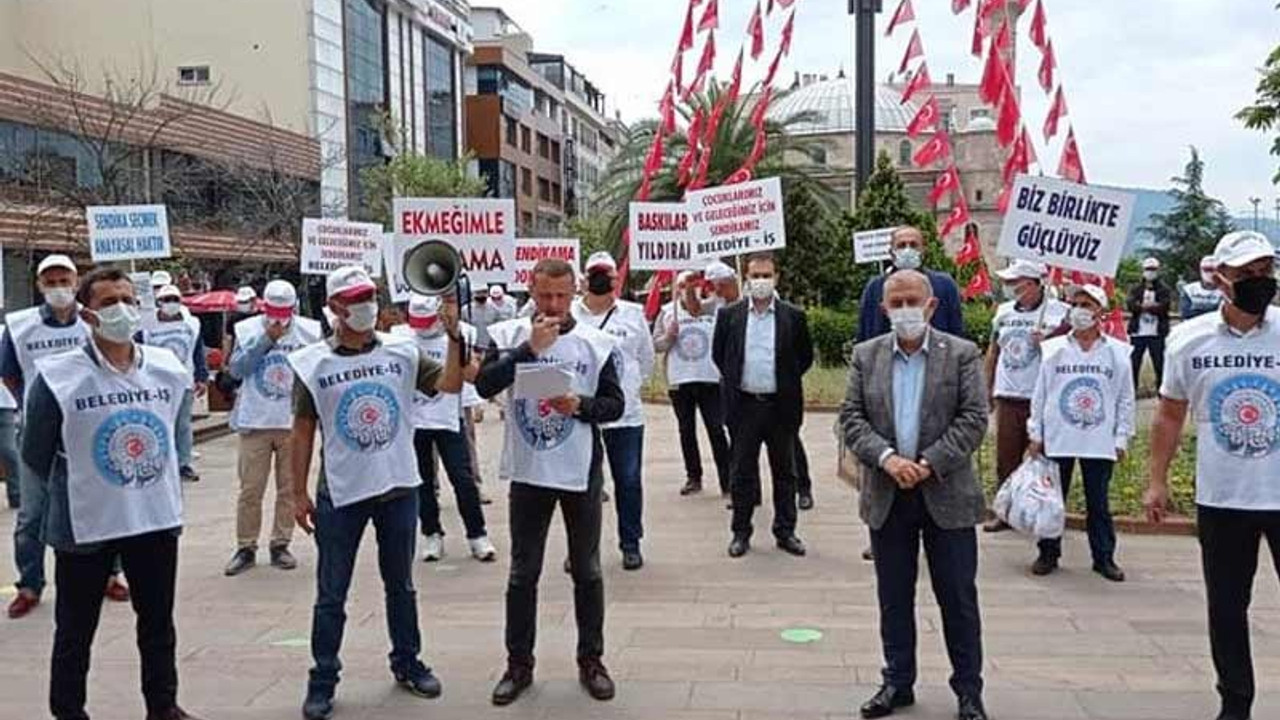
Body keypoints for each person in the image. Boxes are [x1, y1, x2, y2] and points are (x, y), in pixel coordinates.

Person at [288, 266, 463, 720]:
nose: (366, 305)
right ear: (335, 308)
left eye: (370, 295)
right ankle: (322, 679)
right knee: (332, 593)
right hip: (341, 494)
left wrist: (455, 337)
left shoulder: (402, 353)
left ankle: (408, 662)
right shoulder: (312, 363)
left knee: (400, 585)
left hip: (398, 487)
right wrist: (296, 492)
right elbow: (303, 430)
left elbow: (450, 385)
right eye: (356, 298)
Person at [24, 266, 197, 720]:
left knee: (158, 623)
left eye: (126, 299)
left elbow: (178, 433)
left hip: (153, 518)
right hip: (86, 524)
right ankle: (68, 711)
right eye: (107, 302)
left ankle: (163, 706)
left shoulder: (165, 367)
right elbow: (35, 450)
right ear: (87, 314)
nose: (120, 309)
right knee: (75, 630)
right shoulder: (59, 376)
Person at [839, 269, 990, 720]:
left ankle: (968, 690)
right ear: (883, 309)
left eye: (912, 301)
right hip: (887, 494)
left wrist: (926, 463)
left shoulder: (961, 354)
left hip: (946, 492)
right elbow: (851, 418)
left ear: (931, 306)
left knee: (958, 598)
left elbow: (974, 418)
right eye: (896, 302)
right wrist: (887, 459)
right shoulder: (866, 356)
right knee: (893, 596)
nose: (905, 310)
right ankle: (897, 682)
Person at [474, 257, 623, 707]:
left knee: (587, 569)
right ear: (531, 291)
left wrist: (580, 405)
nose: (553, 305)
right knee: (523, 572)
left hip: (579, 472)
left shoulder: (595, 344)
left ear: (575, 290)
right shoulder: (510, 336)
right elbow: (483, 385)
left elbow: (615, 405)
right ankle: (519, 664)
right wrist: (528, 351)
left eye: (561, 296)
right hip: (529, 473)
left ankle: (591, 660)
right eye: (544, 296)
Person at [1144, 231, 1280, 720]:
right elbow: (1168, 416)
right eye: (1246, 275)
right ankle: (1235, 701)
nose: (1259, 283)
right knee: (1226, 607)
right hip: (1224, 496)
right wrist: (1157, 481)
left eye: (1265, 272)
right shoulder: (1188, 339)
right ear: (1220, 278)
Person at [5, 254, 130, 619]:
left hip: (93, 429)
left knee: (107, 503)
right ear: (40, 286)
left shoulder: (97, 320)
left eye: (65, 280)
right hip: (39, 433)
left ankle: (111, 574)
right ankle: (29, 584)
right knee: (32, 514)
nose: (59, 288)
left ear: (77, 284)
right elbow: (11, 375)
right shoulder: (19, 327)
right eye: (51, 281)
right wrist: (34, 407)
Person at [1026, 283, 1134, 581]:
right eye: (1076, 303)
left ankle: (1104, 558)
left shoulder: (1118, 353)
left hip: (1098, 439)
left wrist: (1122, 436)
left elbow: (1125, 397)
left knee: (1098, 502)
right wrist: (1035, 433)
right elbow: (1041, 393)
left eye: (1087, 304)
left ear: (1100, 311)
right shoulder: (1053, 349)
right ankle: (1048, 552)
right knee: (1051, 500)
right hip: (1057, 435)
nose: (1080, 310)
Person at [712, 252, 814, 558]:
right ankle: (740, 532)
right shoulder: (730, 316)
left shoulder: (793, 316)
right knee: (742, 473)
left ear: (776, 278)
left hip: (780, 407)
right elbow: (721, 357)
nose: (761, 282)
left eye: (766, 275)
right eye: (755, 276)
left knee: (785, 472)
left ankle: (786, 531)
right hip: (744, 407)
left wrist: (782, 383)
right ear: (745, 278)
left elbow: (803, 358)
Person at [222, 280, 321, 576]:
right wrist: (266, 339)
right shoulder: (247, 329)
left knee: (288, 488)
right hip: (256, 421)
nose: (280, 317)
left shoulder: (309, 331)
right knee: (251, 488)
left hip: (292, 421)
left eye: (285, 311)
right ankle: (246, 546)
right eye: (274, 310)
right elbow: (237, 369)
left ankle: (281, 543)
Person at [388, 293, 496, 563]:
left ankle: (477, 535)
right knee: (423, 482)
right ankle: (431, 533)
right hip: (415, 422)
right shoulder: (399, 339)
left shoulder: (456, 336)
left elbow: (468, 375)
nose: (422, 328)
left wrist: (455, 336)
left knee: (463, 479)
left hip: (448, 419)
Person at [572, 251, 655, 570]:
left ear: (616, 278)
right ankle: (580, 547)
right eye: (595, 272)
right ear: (584, 278)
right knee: (581, 485)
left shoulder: (633, 315)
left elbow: (646, 361)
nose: (601, 277)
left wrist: (628, 389)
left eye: (606, 272)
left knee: (629, 480)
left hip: (626, 414)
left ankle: (630, 542)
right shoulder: (572, 315)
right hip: (582, 414)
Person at [982, 260, 1070, 533]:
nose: (1010, 288)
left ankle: (1046, 514)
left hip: (1042, 399)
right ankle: (1005, 512)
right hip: (1008, 395)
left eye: (1015, 282)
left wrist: (1049, 340)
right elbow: (993, 351)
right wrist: (987, 387)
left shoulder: (1059, 313)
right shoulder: (1004, 312)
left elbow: (1070, 350)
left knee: (1045, 461)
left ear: (1032, 283)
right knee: (1005, 459)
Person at [653, 269, 731, 498]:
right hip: (680, 381)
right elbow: (655, 344)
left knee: (716, 430)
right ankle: (693, 477)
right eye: (684, 285)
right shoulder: (667, 312)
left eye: (693, 284)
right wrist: (668, 337)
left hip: (710, 380)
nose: (689, 289)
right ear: (676, 288)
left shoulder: (715, 307)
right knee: (686, 430)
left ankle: (727, 482)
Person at [139, 284, 208, 483]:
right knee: (157, 424)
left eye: (175, 299)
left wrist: (202, 377)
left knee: (182, 425)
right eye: (166, 299)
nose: (171, 304)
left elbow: (197, 352)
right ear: (159, 302)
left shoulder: (191, 325)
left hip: (182, 382)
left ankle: (183, 463)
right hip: (153, 384)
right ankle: (157, 463)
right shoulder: (147, 326)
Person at [856, 226, 965, 342]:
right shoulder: (875, 287)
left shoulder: (944, 285)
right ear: (891, 252)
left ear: (923, 250)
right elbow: (865, 331)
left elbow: (956, 330)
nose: (907, 250)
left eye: (913, 245)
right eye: (901, 245)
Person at [1125, 257, 1172, 392]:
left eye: (1153, 269)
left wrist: (1144, 307)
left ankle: (1161, 391)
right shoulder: (1136, 288)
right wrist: (1150, 307)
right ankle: (1132, 390)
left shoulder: (1164, 289)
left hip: (1157, 333)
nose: (1150, 272)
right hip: (1137, 332)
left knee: (1159, 364)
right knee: (1134, 363)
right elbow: (1130, 305)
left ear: (1158, 270)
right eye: (1148, 269)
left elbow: (1165, 306)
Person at [1180, 255, 1224, 320]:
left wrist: (1198, 310)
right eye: (1206, 270)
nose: (1209, 273)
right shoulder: (1189, 289)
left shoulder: (1225, 289)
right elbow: (1186, 313)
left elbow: (1222, 313)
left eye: (1212, 270)